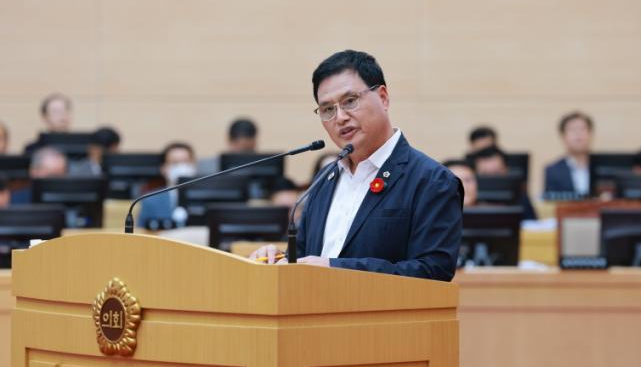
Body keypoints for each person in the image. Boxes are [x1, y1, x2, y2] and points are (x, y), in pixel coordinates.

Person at [250, 50, 464, 281]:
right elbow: (307, 257)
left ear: (383, 97)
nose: (340, 117)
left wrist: (335, 269)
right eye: (328, 109)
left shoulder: (431, 180)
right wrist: (279, 259)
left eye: (350, 101)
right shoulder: (325, 179)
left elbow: (433, 272)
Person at [137, 142, 197, 229]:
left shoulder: (208, 199)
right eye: (175, 163)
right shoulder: (150, 200)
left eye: (186, 162)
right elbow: (140, 232)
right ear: (163, 168)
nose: (181, 167)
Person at [470, 146, 537, 220]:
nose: (491, 180)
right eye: (485, 174)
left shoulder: (519, 196)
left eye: (496, 173)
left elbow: (532, 224)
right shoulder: (467, 198)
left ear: (507, 170)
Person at [544, 111, 594, 196]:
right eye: (572, 130)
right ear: (563, 136)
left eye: (582, 129)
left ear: (590, 134)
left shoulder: (604, 167)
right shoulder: (553, 171)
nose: (578, 134)